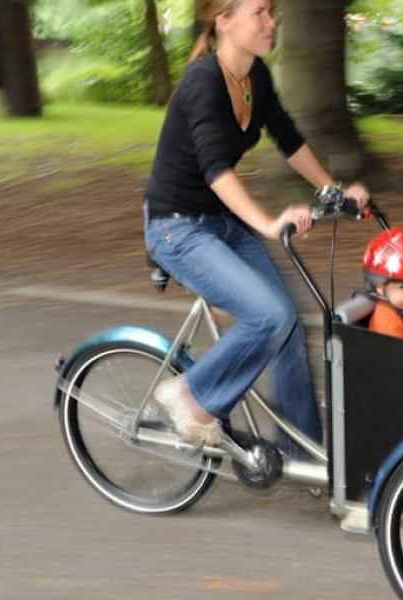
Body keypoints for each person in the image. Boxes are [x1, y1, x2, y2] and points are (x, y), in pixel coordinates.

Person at [144, 0, 369, 453]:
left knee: (287, 325)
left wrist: (333, 191)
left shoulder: (255, 76)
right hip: (177, 228)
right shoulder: (203, 81)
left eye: (272, 11)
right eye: (260, 12)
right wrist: (268, 223)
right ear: (223, 21)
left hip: (219, 223)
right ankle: (190, 395)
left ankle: (301, 451)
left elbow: (288, 137)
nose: (272, 22)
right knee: (269, 316)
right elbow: (214, 170)